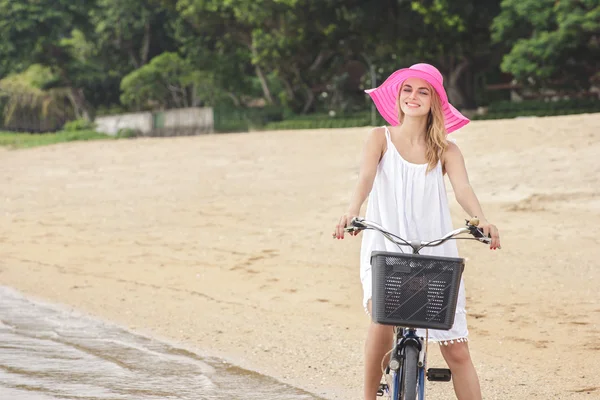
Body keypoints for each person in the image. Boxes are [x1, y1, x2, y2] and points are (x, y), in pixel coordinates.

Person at [333, 63, 500, 400]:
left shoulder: (447, 149)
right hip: (386, 245)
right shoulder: (379, 137)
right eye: (407, 89)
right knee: (381, 323)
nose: (413, 96)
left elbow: (463, 189)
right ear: (398, 96)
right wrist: (352, 212)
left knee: (457, 352)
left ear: (435, 101)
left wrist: (481, 218)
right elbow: (365, 178)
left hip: (434, 249)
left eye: (423, 91)